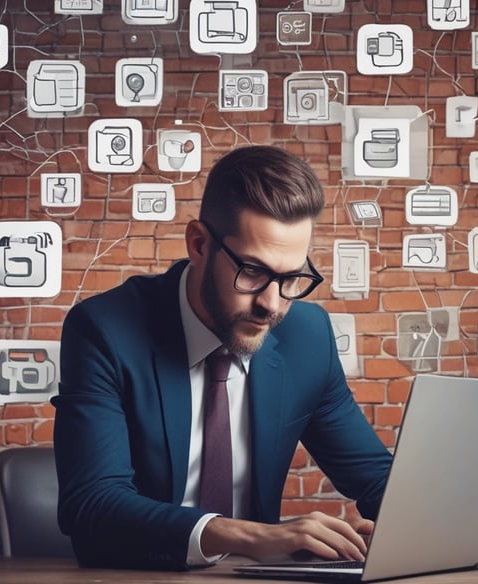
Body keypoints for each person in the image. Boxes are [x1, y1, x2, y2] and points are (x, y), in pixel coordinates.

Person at [52, 145, 393, 570]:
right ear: (199, 244)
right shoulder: (104, 329)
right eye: (252, 272)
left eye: (291, 278)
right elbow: (92, 505)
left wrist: (411, 524)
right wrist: (253, 536)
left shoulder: (307, 336)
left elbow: (377, 479)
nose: (273, 305)